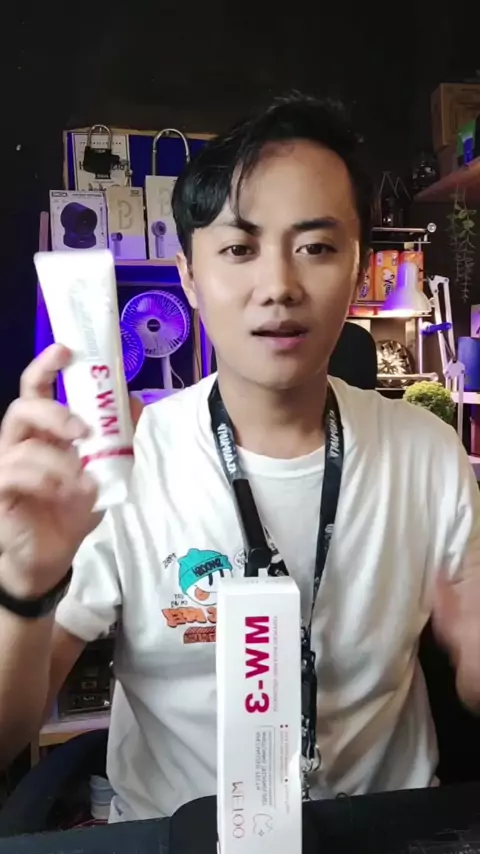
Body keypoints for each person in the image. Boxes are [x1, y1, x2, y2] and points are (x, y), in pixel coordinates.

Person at [0, 93, 479, 825]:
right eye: (238, 248)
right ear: (190, 278)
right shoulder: (122, 464)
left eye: (316, 247)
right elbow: (10, 733)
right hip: (182, 835)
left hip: (376, 830)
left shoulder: (428, 453)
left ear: (359, 271)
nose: (279, 286)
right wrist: (23, 586)